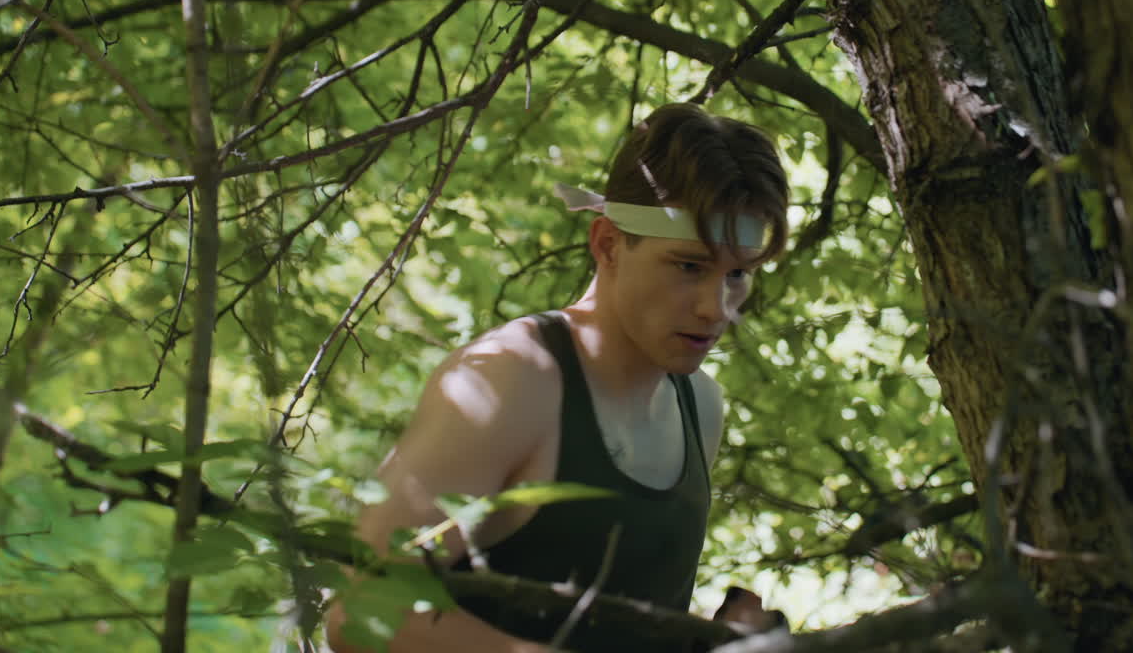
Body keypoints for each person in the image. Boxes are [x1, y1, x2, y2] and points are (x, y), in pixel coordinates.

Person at [325, 103, 790, 653]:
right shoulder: (510, 381)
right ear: (608, 244)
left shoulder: (701, 407)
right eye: (689, 266)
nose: (718, 309)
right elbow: (359, 611)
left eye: (737, 275)